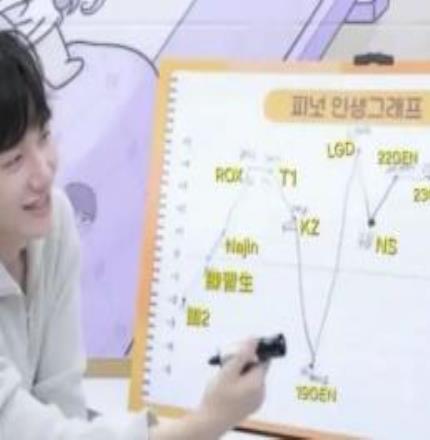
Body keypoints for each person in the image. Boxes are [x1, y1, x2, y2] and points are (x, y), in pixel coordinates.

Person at [0, 30, 269, 439]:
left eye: (44, 136)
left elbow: (62, 402)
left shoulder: (55, 224)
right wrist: (208, 421)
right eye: (14, 161)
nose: (44, 172)